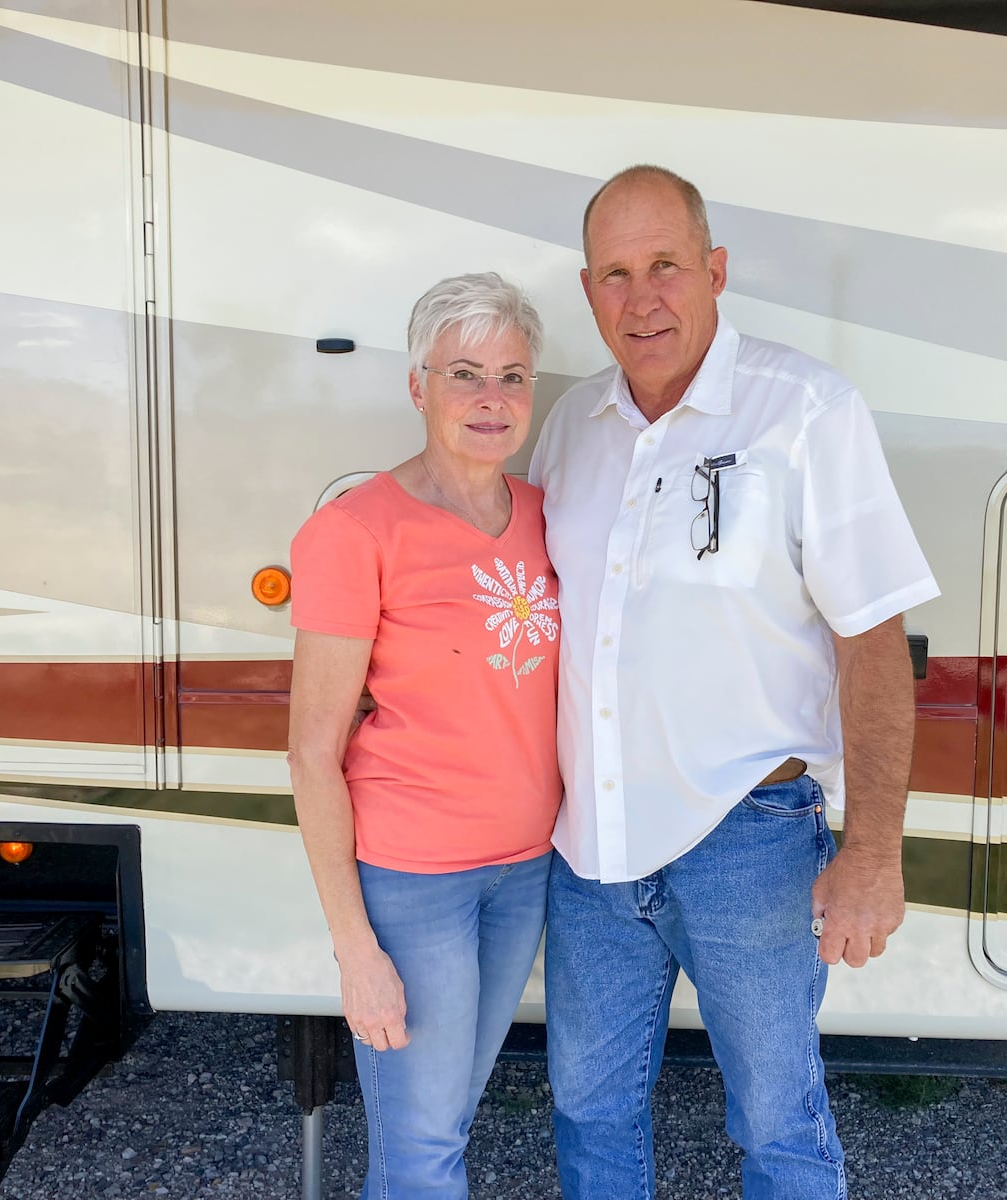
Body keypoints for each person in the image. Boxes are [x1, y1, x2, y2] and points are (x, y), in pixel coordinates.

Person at [529, 165, 940, 1199]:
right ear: (590, 293)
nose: (642, 297)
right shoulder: (571, 425)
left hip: (749, 837)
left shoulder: (802, 411)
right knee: (588, 1111)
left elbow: (872, 644)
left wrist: (873, 852)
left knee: (778, 1121)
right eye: (616, 274)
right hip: (592, 853)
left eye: (665, 265)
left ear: (715, 271)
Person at [287, 272, 560, 1199]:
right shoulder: (355, 532)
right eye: (465, 375)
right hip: (416, 884)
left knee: (444, 1123)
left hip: (525, 871)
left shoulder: (542, 515)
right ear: (418, 387)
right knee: (424, 1153)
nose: (493, 400)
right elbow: (312, 753)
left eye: (514, 377)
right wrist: (355, 952)